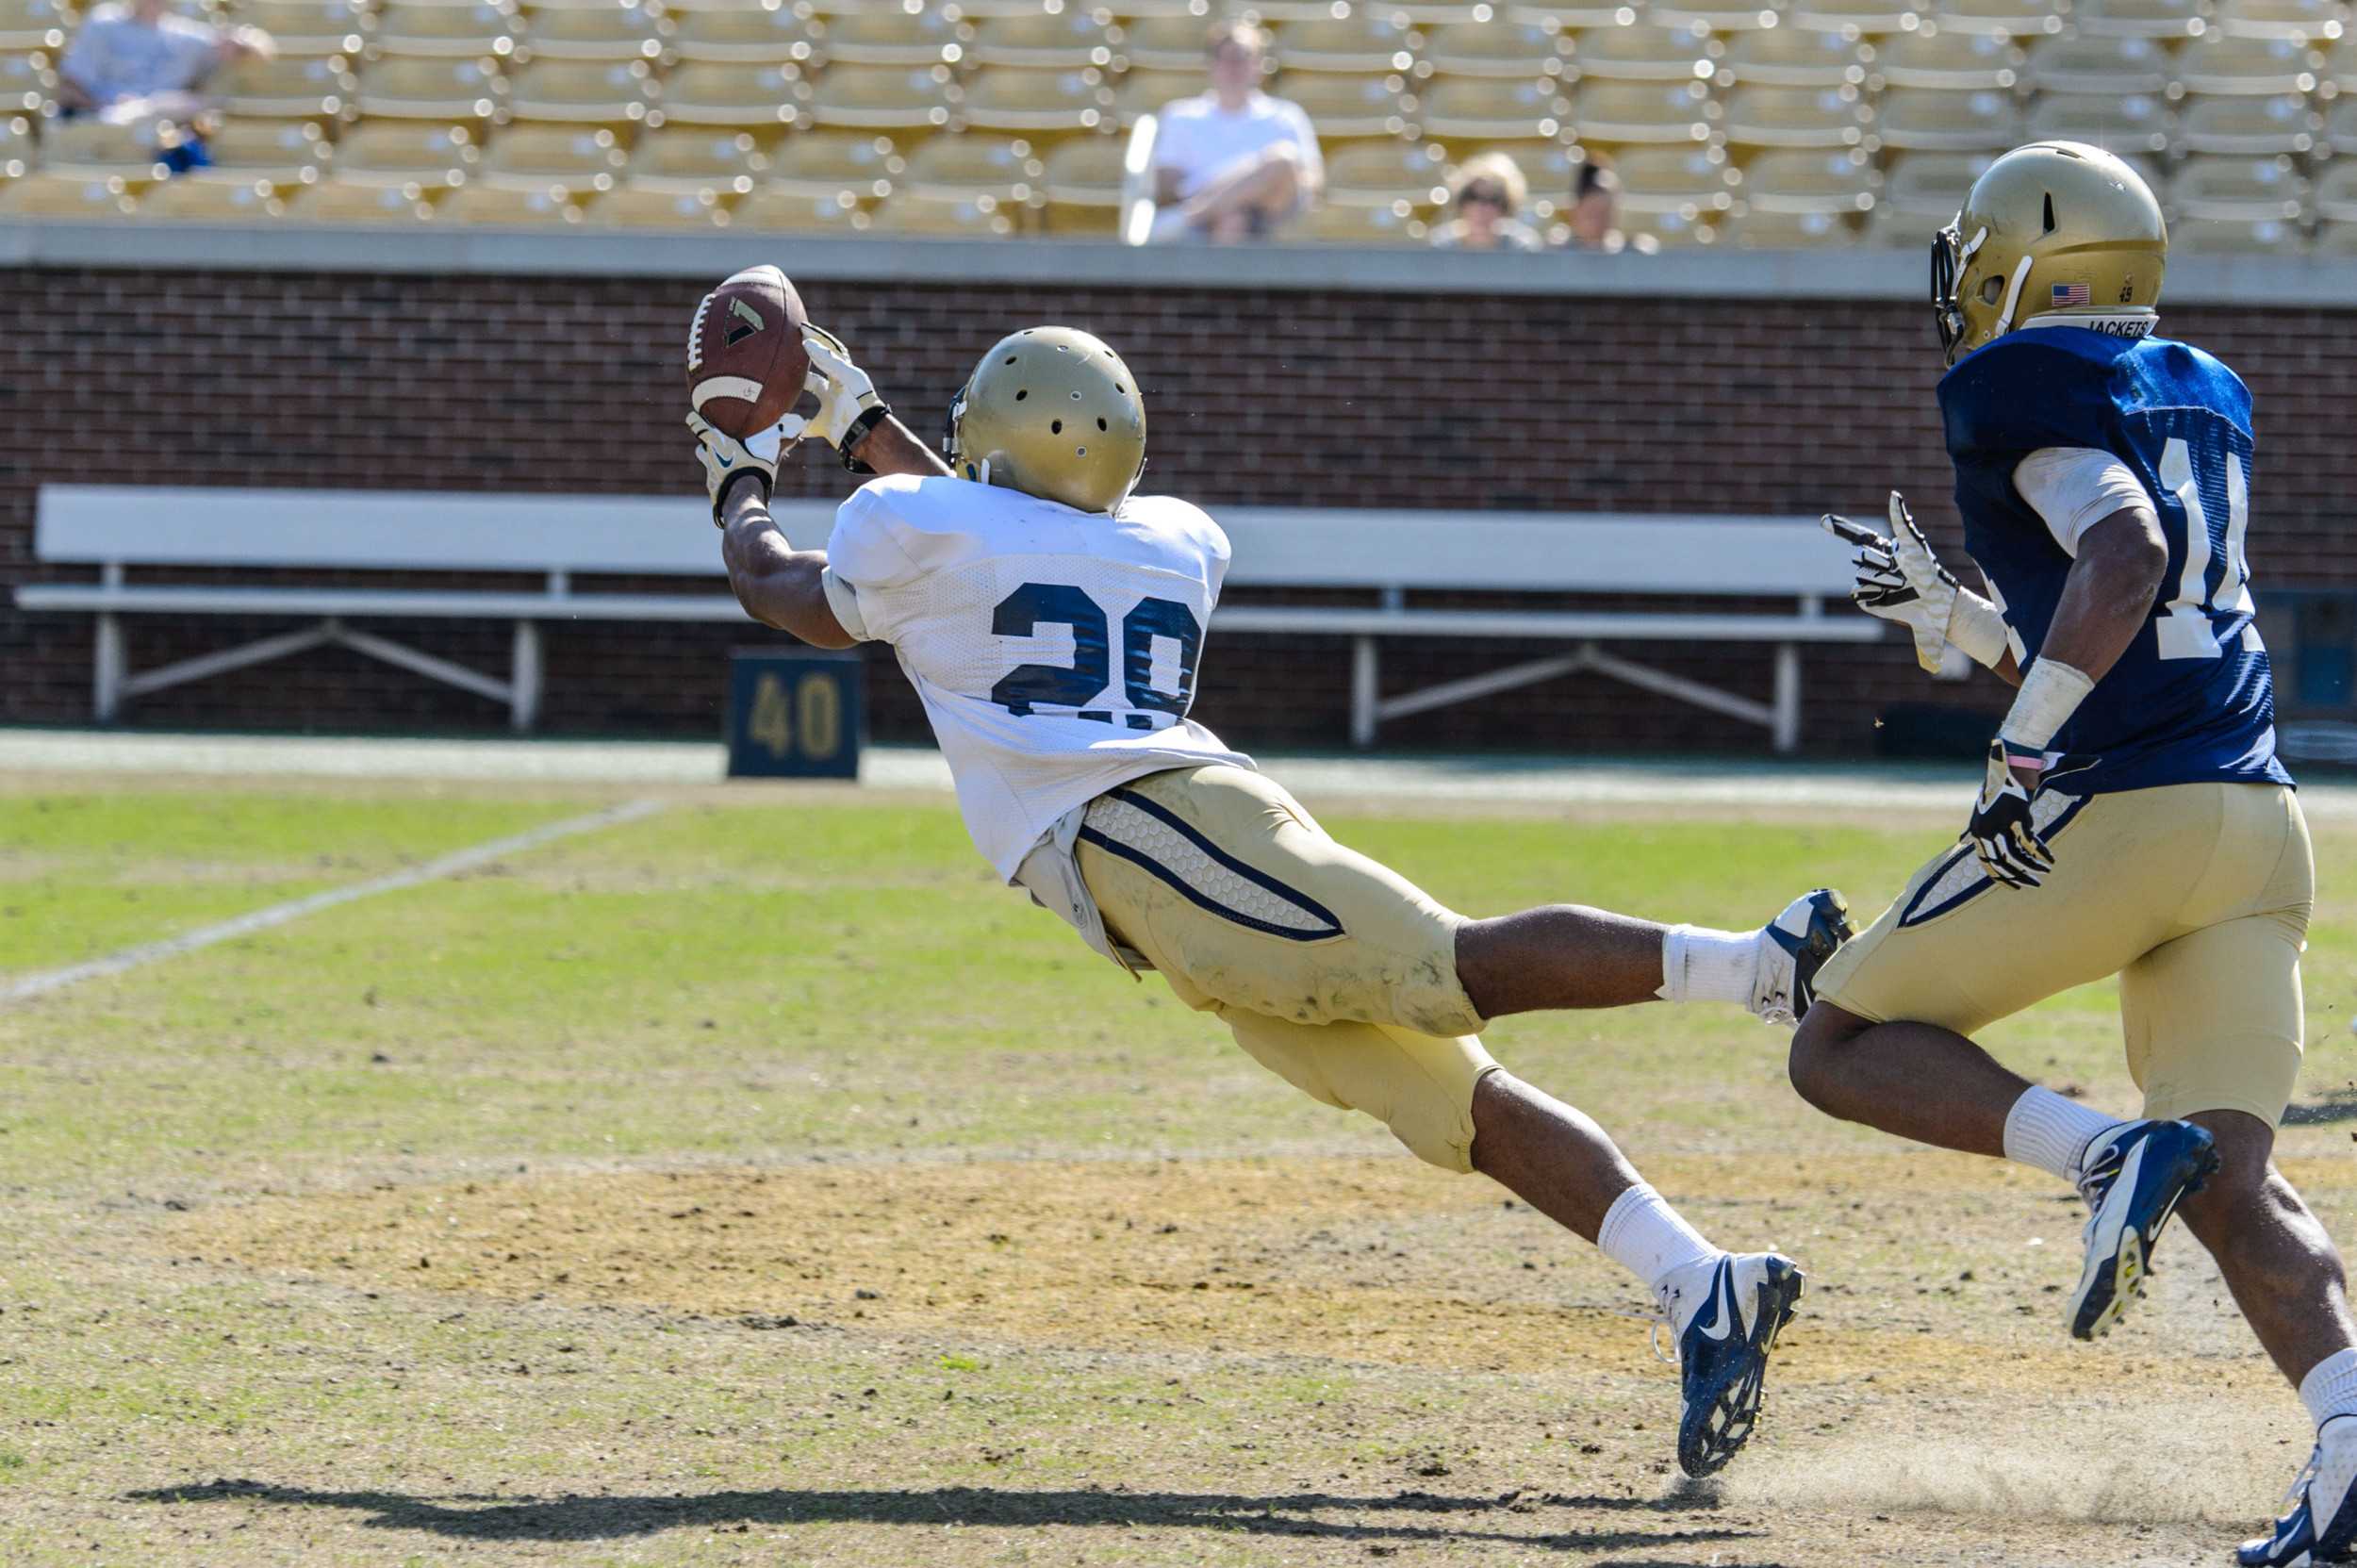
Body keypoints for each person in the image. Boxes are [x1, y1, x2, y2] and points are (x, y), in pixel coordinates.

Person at [684, 306, 1857, 1479]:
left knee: (1439, 966)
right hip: (1189, 847)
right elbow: (1001, 532)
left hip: (1161, 841)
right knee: (1457, 1103)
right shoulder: (1173, 538)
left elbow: (780, 586)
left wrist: (742, 473)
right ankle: (1702, 1286)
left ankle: (1760, 961)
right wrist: (864, 423)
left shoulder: (925, 524)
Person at [1788, 140, 2354, 1567]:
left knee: (1838, 1042)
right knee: (2236, 1177)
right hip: (2259, 826)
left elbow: (2126, 555)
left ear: (2029, 268)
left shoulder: (2013, 382)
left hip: (2129, 812)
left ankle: (2106, 1152)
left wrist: (2022, 742)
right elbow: (2136, 626)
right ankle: (2355, 1445)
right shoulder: (2205, 385)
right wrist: (1979, 630)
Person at [1146, 20, 1322, 244]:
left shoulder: (1286, 116)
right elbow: (1169, 184)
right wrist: (1235, 191)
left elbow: (1308, 180)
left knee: (1282, 159)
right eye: (1226, 58)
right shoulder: (1180, 115)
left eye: (1244, 57)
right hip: (1202, 228)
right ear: (1209, 65)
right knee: (1231, 220)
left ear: (1261, 65)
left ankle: (1190, 216)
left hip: (1265, 219)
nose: (1235, 67)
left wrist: (1250, 187)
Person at [56, 0, 272, 169]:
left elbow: (263, 48)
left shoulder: (186, 36)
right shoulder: (103, 23)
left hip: (158, 129)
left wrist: (238, 42)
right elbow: (68, 90)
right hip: (103, 125)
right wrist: (103, 106)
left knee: (186, 105)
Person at [1428, 152, 1542, 253]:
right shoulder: (1441, 248)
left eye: (1493, 200)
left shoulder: (1520, 247)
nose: (1481, 208)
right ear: (1461, 202)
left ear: (1505, 206)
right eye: (1473, 197)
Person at [1558, 154, 1627, 253]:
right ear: (1574, 210)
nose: (1600, 221)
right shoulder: (1557, 253)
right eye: (1593, 213)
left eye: (1606, 212)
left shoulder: (1632, 254)